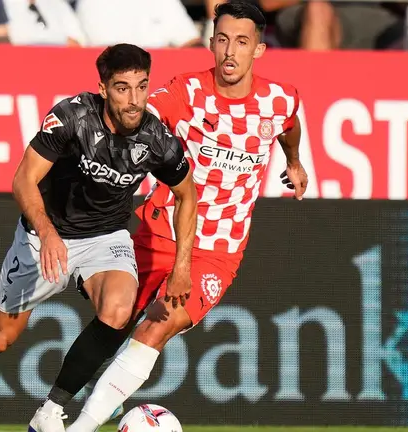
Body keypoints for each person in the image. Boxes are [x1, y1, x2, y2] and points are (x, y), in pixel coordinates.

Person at [0, 43, 198, 432]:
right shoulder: (72, 117)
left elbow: (188, 195)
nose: (134, 100)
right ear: (103, 88)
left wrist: (183, 266)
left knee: (119, 310)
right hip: (44, 234)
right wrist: (47, 231)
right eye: (122, 88)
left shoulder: (157, 140)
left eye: (141, 86)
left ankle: (52, 408)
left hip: (106, 236)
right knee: (0, 338)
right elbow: (23, 178)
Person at [65, 2, 308, 431]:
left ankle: (80, 428)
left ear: (259, 49)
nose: (230, 51)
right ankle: (57, 407)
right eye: (223, 39)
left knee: (156, 328)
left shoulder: (280, 99)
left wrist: (294, 161)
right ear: (211, 42)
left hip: (217, 250)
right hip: (160, 231)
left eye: (242, 42)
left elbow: (289, 125)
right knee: (112, 323)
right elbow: (143, 117)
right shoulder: (187, 91)